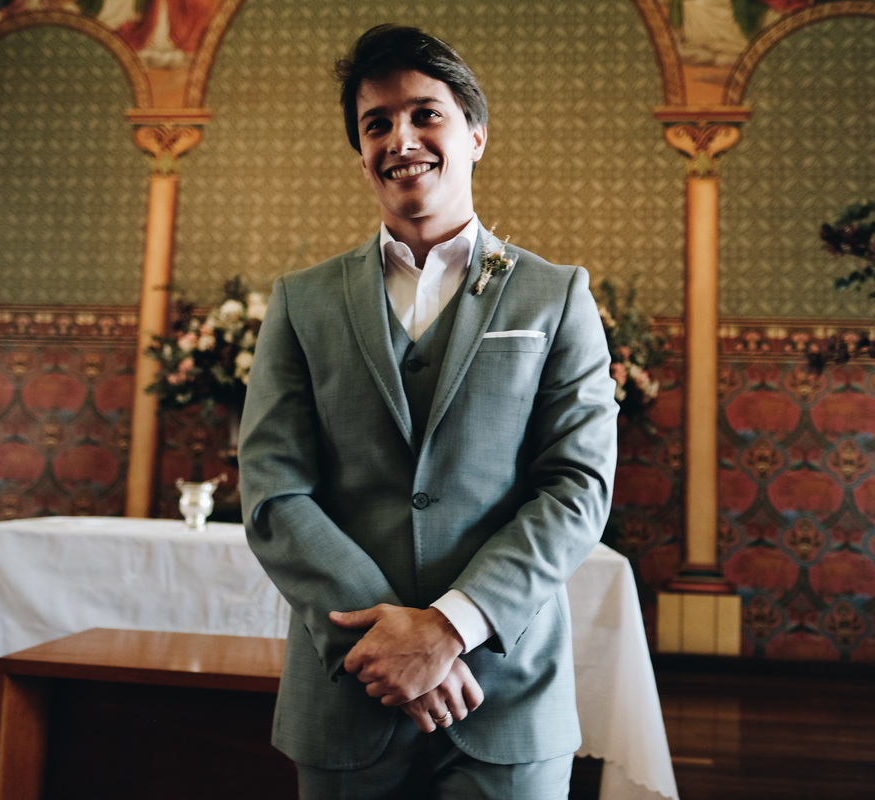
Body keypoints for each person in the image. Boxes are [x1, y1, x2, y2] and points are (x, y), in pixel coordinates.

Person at [238, 23, 618, 799]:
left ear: (475, 135)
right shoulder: (302, 302)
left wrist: (449, 626)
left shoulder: (555, 295)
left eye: (425, 114)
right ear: (362, 153)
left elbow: (578, 487)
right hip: (349, 695)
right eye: (376, 124)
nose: (400, 139)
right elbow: (273, 491)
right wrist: (386, 642)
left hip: (506, 694)